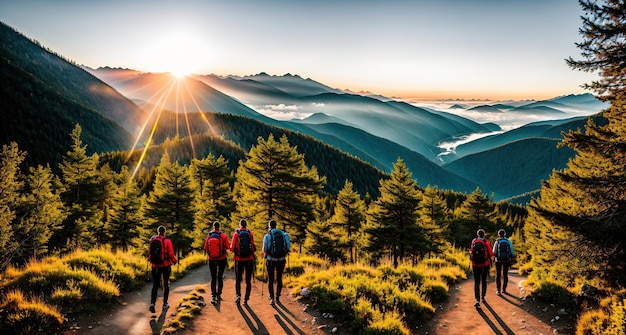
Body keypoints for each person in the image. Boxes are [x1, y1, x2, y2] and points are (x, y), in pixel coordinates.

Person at [148, 225, 177, 313]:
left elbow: (149, 253)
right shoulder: (167, 241)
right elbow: (171, 254)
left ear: (158, 232)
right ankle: (165, 304)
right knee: (165, 285)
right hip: (165, 265)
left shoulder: (153, 240)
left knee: (155, 285)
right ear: (164, 232)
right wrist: (175, 261)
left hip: (155, 266)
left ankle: (152, 303)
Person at [263, 219, 291, 306]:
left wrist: (265, 255)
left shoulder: (267, 236)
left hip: (271, 260)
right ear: (276, 225)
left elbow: (265, 249)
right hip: (281, 260)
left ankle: (271, 298)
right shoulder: (284, 234)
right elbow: (288, 247)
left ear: (269, 226)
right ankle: (278, 297)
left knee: (270, 279)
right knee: (279, 278)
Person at [230, 219, 256, 305]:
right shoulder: (250, 233)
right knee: (248, 280)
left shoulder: (236, 234)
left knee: (238, 279)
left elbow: (232, 248)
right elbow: (252, 248)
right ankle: (246, 299)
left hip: (239, 260)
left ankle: (238, 296)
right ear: (246, 225)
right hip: (249, 259)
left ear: (240, 225)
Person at [204, 221, 230, 304]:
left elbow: (206, 247)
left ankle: (213, 295)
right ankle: (219, 294)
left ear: (213, 227)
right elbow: (228, 246)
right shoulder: (223, 235)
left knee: (213, 277)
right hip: (222, 258)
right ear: (220, 227)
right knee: (220, 277)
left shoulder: (209, 235)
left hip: (211, 259)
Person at [470, 229, 494, 307]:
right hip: (484, 265)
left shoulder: (474, 241)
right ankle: (483, 297)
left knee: (476, 282)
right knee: (484, 280)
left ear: (477, 234)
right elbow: (491, 253)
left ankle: (477, 299)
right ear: (484, 235)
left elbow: (471, 252)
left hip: (475, 264)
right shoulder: (486, 242)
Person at [493, 229, 515, 296]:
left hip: (498, 260)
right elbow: (512, 252)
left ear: (498, 234)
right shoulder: (508, 241)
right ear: (504, 234)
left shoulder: (497, 241)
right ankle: (504, 289)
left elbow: (494, 251)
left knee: (498, 275)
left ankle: (498, 290)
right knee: (505, 274)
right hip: (506, 260)